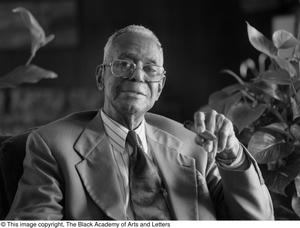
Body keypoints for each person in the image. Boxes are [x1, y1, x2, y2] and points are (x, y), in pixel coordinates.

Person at [6, 25, 274, 220]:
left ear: (160, 87)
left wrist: (233, 157)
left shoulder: (195, 147)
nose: (137, 77)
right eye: (124, 64)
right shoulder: (52, 146)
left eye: (150, 69)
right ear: (101, 77)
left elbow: (258, 222)